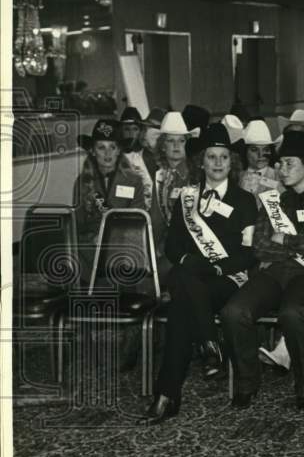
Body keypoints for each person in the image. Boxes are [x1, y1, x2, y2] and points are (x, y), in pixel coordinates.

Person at [141, 123, 258, 424]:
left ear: (232, 163)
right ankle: (208, 345)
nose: (217, 163)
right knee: (185, 299)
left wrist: (214, 266)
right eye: (211, 157)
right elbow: (172, 246)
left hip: (227, 279)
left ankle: (167, 395)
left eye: (223, 157)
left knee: (182, 291)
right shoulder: (186, 197)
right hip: (195, 280)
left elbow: (248, 253)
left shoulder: (245, 201)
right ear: (201, 162)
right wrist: (189, 262)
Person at [221, 131, 304, 411]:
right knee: (233, 312)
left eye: (289, 163)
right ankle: (247, 382)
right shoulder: (272, 200)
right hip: (272, 272)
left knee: (293, 313)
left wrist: (284, 239)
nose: (282, 169)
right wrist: (299, 244)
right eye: (280, 164)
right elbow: (260, 247)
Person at [72, 118, 148, 252]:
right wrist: (92, 239)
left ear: (119, 151)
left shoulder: (134, 181)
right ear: (93, 151)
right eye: (101, 147)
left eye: (112, 147)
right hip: (92, 247)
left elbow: (137, 220)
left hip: (125, 246)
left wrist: (111, 238)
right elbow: (77, 225)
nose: (108, 153)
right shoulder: (82, 182)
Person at [147, 111, 198, 267]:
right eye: (171, 141)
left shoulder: (196, 173)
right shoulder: (159, 175)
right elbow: (156, 220)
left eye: (181, 141)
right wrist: (150, 252)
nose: (176, 145)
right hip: (168, 242)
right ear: (163, 146)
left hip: (194, 242)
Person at [238, 119, 282, 201]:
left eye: (265, 150)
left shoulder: (278, 176)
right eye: (254, 149)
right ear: (245, 152)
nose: (260, 155)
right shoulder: (237, 176)